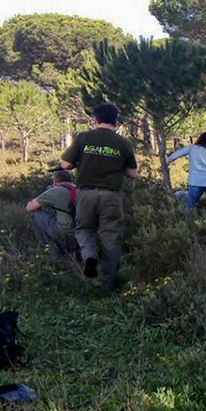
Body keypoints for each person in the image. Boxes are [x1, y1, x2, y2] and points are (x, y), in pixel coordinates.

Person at [60, 103, 138, 293]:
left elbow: (65, 165)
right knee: (111, 239)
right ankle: (108, 287)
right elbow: (133, 173)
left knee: (84, 230)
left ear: (94, 119)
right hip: (111, 196)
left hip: (85, 194)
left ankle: (89, 257)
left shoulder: (84, 138)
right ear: (116, 121)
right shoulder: (123, 143)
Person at [168, 132, 206, 220]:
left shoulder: (192, 149)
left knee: (190, 204)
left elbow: (178, 154)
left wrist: (168, 161)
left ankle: (188, 223)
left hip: (195, 181)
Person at [26, 168, 76, 257]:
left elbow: (30, 208)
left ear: (55, 181)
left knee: (35, 214)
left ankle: (45, 247)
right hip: (83, 234)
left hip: (66, 233)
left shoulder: (55, 191)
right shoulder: (78, 189)